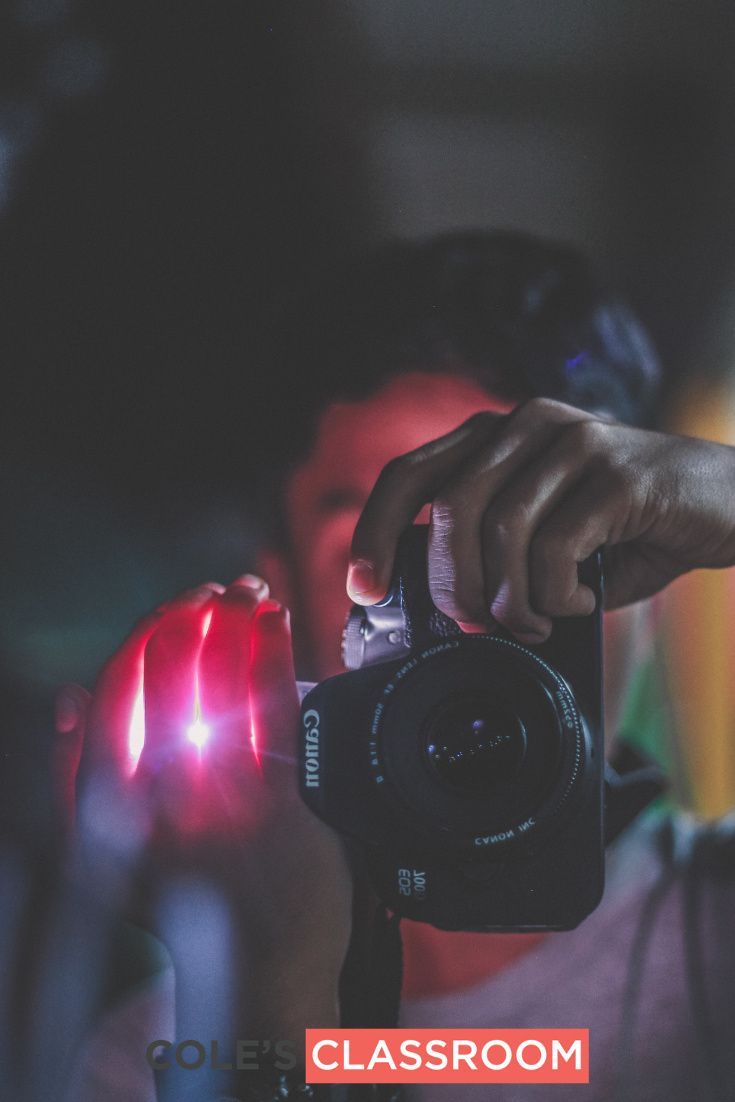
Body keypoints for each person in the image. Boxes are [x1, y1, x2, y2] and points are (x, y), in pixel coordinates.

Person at [52, 232, 735, 1101]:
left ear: (651, 589)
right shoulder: (153, 1054)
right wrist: (272, 980)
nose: (458, 623)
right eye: (382, 568)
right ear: (280, 602)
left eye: (531, 540)